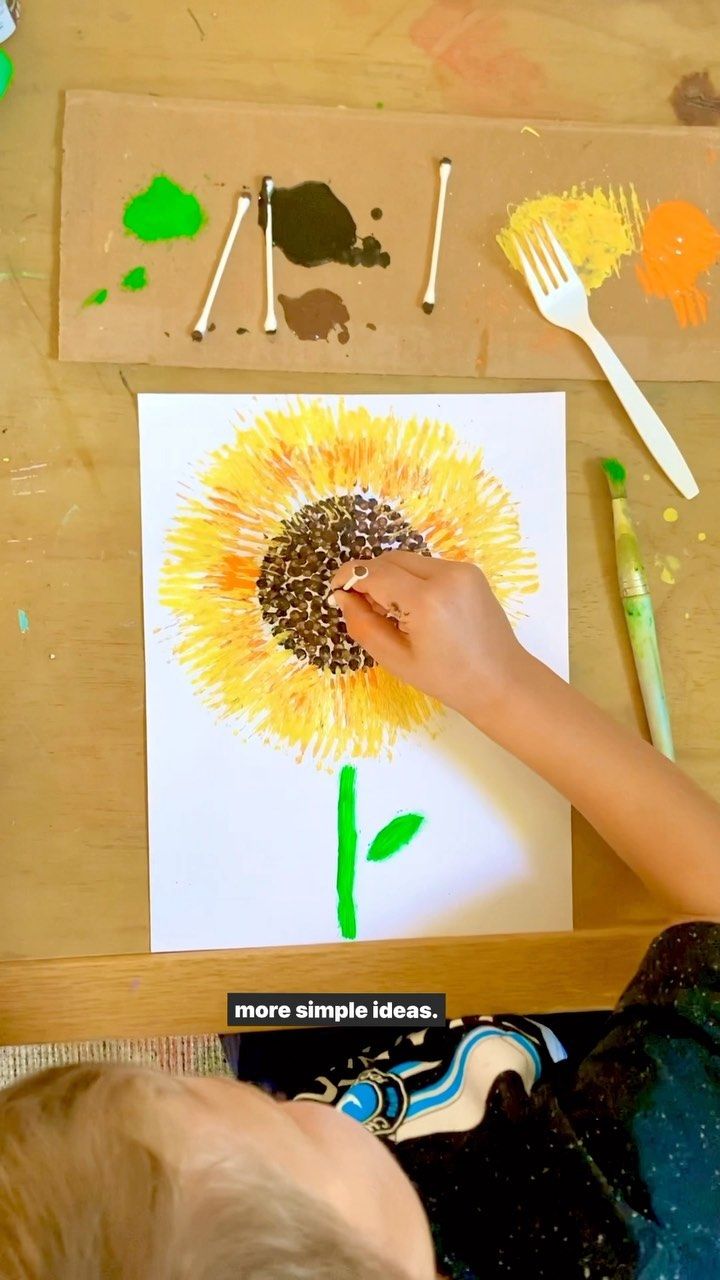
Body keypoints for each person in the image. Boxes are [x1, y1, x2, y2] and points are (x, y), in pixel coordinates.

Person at [1, 553, 719, 1279]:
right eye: (277, 1117)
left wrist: (269, 1048)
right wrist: (499, 681)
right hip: (582, 1033)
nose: (223, 1082)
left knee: (247, 998)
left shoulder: (320, 1206)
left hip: (345, 1026)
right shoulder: (626, 1227)